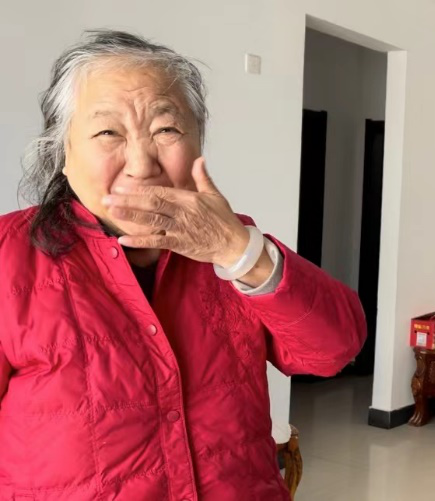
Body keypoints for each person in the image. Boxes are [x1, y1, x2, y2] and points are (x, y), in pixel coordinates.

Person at [0, 30, 366, 501]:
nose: (141, 164)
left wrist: (239, 252)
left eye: (166, 130)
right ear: (63, 154)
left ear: (198, 144)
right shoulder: (9, 255)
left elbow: (334, 350)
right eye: (108, 132)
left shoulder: (233, 240)